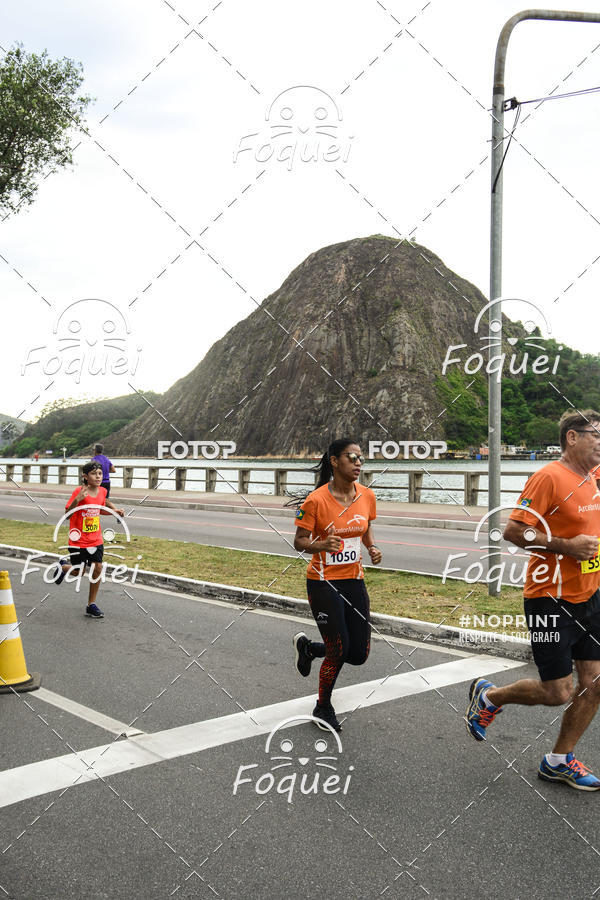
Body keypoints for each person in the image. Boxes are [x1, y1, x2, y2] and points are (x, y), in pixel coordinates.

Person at [466, 409, 600, 790]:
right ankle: (489, 696)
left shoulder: (594, 476)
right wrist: (566, 546)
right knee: (558, 692)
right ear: (572, 438)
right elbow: (512, 531)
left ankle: (559, 760)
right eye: (595, 435)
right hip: (550, 601)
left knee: (596, 683)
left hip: (592, 596)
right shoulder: (548, 478)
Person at [291, 438, 382, 732]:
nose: (358, 463)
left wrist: (371, 547)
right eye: (351, 457)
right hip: (323, 583)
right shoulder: (316, 500)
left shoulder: (366, 495)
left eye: (361, 459)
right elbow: (299, 542)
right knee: (340, 649)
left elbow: (364, 526)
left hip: (354, 581)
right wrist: (321, 544)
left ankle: (309, 649)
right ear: (334, 461)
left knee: (358, 654)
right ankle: (323, 707)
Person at [53, 461, 124, 618]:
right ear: (85, 476)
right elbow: (67, 515)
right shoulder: (79, 491)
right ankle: (63, 567)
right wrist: (77, 499)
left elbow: (98, 509)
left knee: (98, 568)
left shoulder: (103, 492)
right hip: (78, 540)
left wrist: (114, 512)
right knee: (79, 572)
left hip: (96, 539)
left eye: (100, 474)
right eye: (94, 474)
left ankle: (91, 604)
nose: (98, 477)